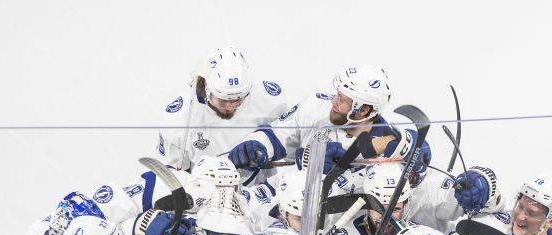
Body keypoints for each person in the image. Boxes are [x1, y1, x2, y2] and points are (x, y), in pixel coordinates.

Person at [226, 65, 431, 184]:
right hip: (290, 204)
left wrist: (414, 159)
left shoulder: (391, 144)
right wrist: (257, 144)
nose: (334, 102)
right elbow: (278, 135)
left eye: (343, 100)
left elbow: (410, 184)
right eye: (337, 94)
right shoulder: (315, 105)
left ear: (363, 110)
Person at [158, 46, 289, 177]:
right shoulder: (179, 119)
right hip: (206, 192)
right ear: (206, 85)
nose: (230, 106)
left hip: (261, 189)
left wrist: (266, 145)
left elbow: (288, 135)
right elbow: (174, 176)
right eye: (223, 100)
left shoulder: (268, 98)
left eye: (238, 100)